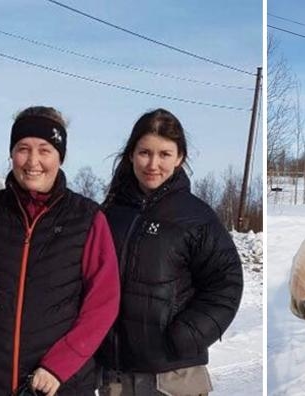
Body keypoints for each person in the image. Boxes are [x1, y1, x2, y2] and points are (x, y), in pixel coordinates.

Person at [0, 106, 120, 396]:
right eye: (23, 148)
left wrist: (60, 365)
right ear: (11, 153)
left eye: (45, 150)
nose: (33, 161)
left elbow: (103, 304)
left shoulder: (87, 219)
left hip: (58, 385)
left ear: (61, 156)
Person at [97, 109, 244, 396]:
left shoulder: (197, 217)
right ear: (131, 155)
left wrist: (186, 336)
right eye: (144, 153)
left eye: (164, 154)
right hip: (117, 377)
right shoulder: (109, 215)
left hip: (174, 378)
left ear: (179, 158)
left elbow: (226, 284)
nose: (153, 164)